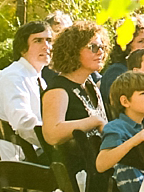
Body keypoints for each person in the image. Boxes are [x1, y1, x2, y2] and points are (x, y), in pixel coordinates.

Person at [40, 22, 110, 169]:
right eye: (93, 47)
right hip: (81, 174)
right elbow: (51, 134)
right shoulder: (58, 90)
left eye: (102, 47)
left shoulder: (90, 83)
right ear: (73, 51)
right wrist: (94, 121)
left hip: (101, 164)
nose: (100, 52)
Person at [0, 20, 54, 157]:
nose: (46, 46)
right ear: (23, 48)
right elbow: (23, 123)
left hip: (36, 152)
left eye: (49, 40)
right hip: (23, 159)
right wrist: (55, 143)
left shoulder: (37, 78)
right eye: (38, 41)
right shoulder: (13, 77)